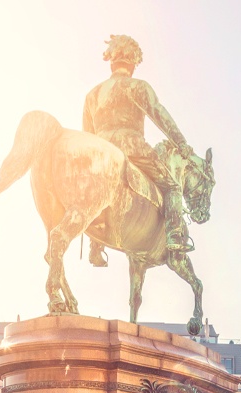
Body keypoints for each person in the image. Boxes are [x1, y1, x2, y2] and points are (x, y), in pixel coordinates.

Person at [82, 34, 192, 265]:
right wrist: (181, 143)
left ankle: (96, 244)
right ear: (133, 62)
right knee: (172, 186)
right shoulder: (137, 86)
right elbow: (158, 114)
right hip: (132, 147)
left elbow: (87, 135)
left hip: (100, 151)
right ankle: (174, 238)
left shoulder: (92, 95)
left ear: (112, 61)